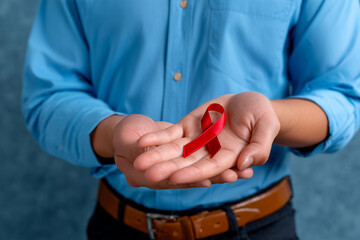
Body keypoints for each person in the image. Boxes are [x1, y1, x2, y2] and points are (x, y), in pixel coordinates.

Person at [22, 0, 360, 239]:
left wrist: (270, 117)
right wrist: (113, 134)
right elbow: (50, 94)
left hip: (258, 228)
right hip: (117, 226)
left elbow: (342, 96)